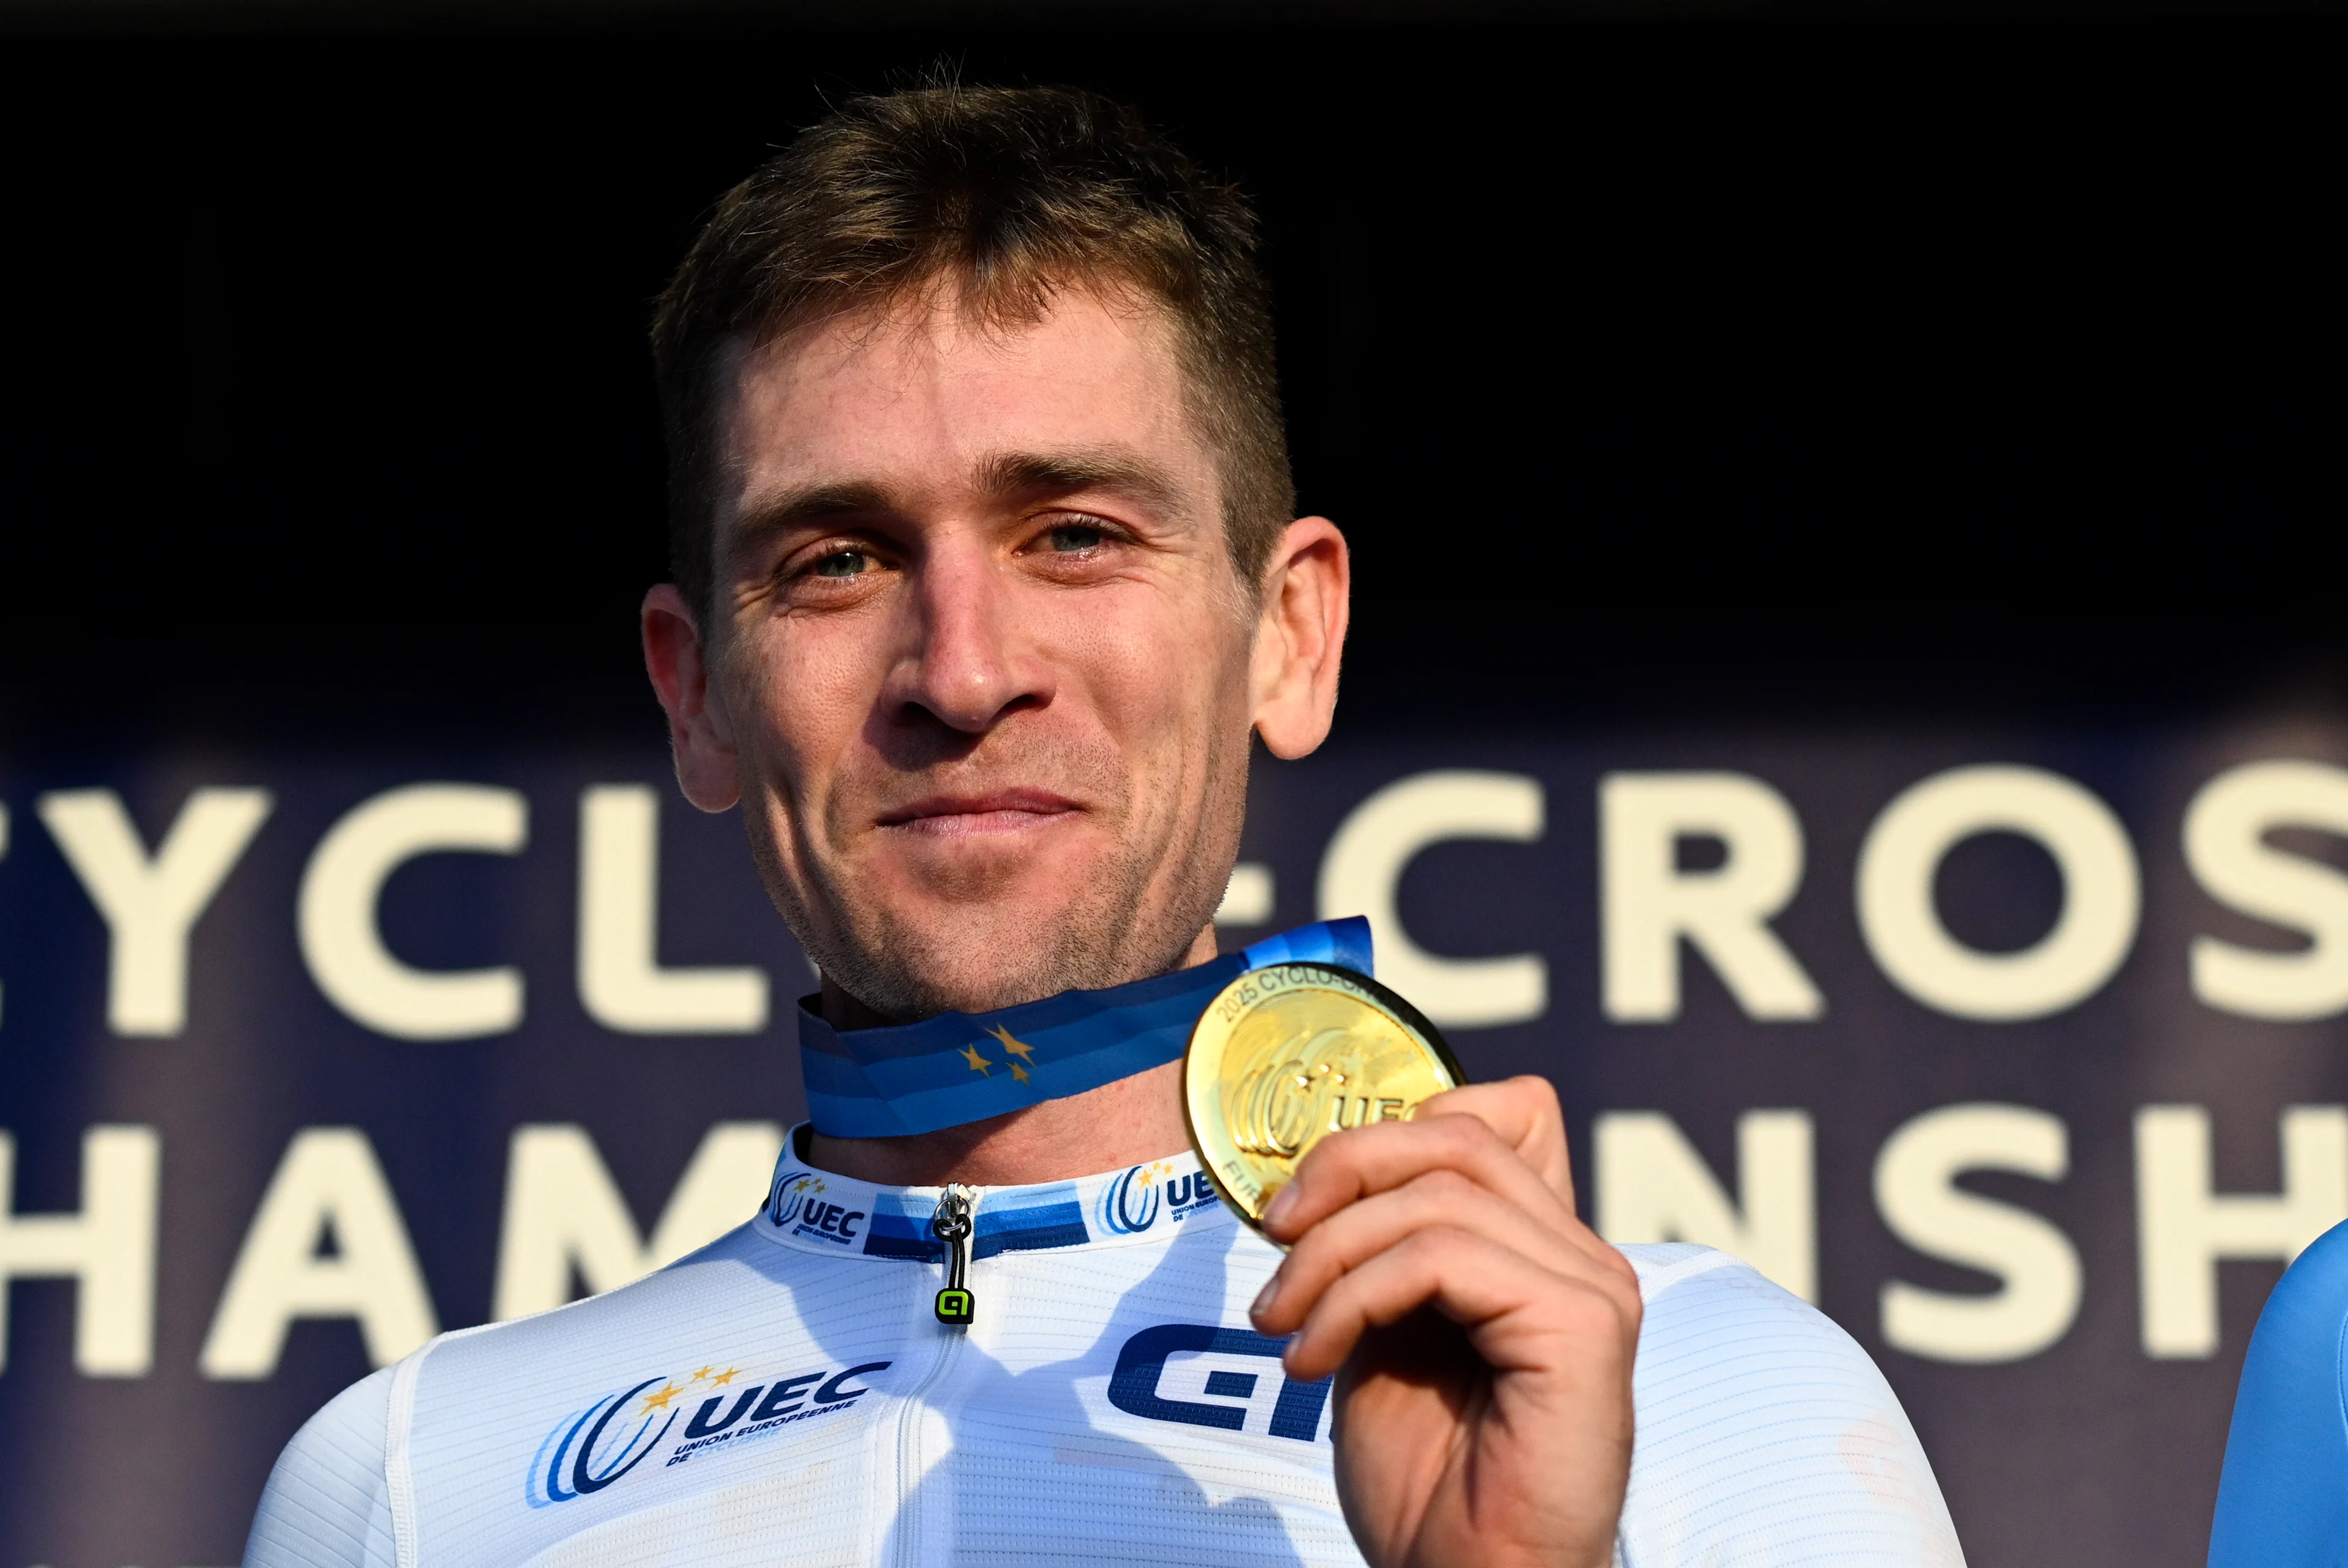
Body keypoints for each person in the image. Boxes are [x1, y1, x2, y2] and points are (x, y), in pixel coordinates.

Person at [243, 84, 1965, 1568]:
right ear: (696, 694)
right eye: (837, 557)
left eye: (1072, 531)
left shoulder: (1706, 1390)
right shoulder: (409, 1476)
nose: (964, 670)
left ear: (1289, 632)